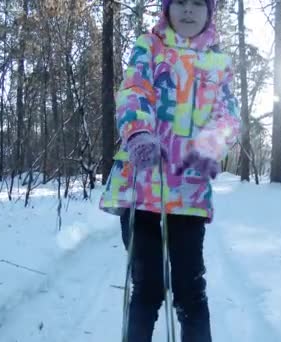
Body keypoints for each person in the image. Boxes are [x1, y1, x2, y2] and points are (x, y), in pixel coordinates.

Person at [99, 0, 241, 340]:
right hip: (141, 191)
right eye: (180, 2)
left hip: (190, 196)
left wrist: (211, 145)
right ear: (167, 8)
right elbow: (134, 90)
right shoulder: (149, 47)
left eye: (198, 4)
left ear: (210, 12)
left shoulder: (218, 63)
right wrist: (139, 132)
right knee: (146, 289)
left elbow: (228, 116)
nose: (189, 10)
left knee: (191, 291)